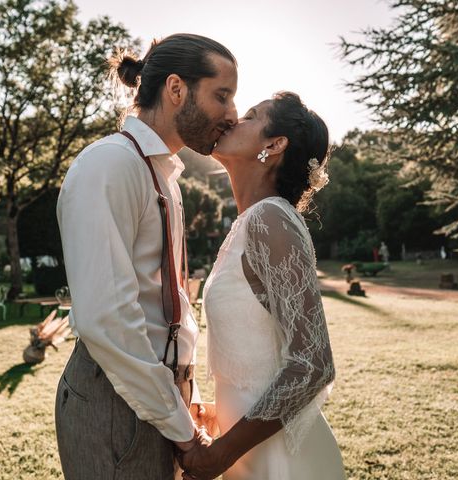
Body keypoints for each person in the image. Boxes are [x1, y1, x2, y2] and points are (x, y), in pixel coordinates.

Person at [55, 33, 238, 479]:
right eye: (222, 95)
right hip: (118, 401)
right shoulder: (110, 165)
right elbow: (108, 319)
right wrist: (183, 429)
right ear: (176, 89)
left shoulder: (164, 176)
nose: (233, 114)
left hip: (157, 397)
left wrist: (181, 395)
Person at [180, 92, 345, 479]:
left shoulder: (270, 220)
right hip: (250, 451)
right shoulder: (249, 223)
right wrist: (223, 413)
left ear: (274, 144)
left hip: (284, 462)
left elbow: (313, 364)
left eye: (251, 116)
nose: (234, 119)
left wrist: (220, 454)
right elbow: (260, 355)